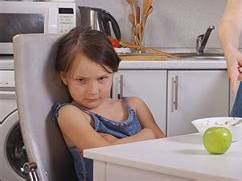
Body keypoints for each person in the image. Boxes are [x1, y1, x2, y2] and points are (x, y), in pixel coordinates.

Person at [52, 26, 165, 181]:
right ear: (64, 77)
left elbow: (165, 148)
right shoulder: (70, 114)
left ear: (113, 72)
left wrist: (115, 143)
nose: (93, 91)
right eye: (81, 80)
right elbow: (107, 156)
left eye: (102, 78)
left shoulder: (135, 105)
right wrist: (147, 135)